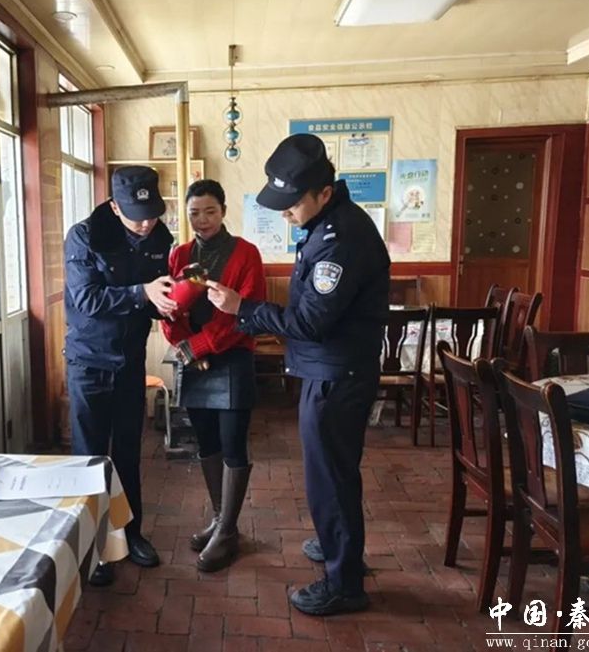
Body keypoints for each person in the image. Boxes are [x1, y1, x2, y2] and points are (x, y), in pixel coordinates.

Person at [207, 133, 389, 616]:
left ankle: (344, 584)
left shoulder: (340, 239)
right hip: (331, 369)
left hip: (337, 375)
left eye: (292, 205)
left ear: (324, 193)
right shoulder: (328, 224)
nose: (285, 214)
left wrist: (243, 308)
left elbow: (309, 322)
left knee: (329, 478)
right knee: (333, 472)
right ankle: (338, 547)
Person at [64, 165, 177, 585]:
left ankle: (132, 534)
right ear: (114, 206)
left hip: (130, 361)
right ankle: (93, 548)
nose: (146, 224)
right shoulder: (85, 236)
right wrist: (142, 293)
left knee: (129, 451)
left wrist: (171, 302)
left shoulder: (160, 237)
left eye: (152, 214)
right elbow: (87, 299)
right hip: (89, 363)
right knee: (91, 456)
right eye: (136, 216)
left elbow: (153, 298)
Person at [160, 180, 266, 572]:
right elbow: (168, 309)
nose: (202, 220)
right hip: (193, 360)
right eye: (194, 213)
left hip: (232, 357)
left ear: (223, 211)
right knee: (205, 442)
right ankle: (221, 521)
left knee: (233, 443)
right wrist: (181, 342)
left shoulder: (246, 253)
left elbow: (246, 313)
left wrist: (200, 346)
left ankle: (228, 529)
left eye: (210, 211)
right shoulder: (180, 254)